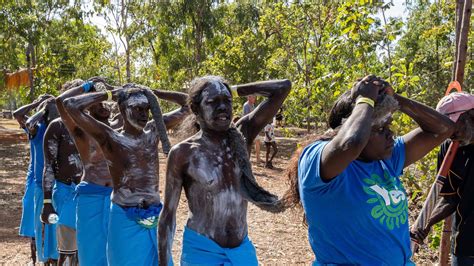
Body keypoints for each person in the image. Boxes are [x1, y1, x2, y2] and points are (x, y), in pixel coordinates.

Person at [282, 75, 454, 265]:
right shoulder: (317, 159)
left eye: (388, 126)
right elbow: (351, 143)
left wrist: (394, 99)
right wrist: (365, 100)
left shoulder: (386, 159)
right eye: (380, 129)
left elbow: (443, 129)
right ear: (351, 128)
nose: (390, 134)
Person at [159, 76, 291, 265]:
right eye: (212, 102)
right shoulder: (183, 154)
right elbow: (168, 216)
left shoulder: (242, 134)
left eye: (227, 102)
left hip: (241, 251)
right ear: (196, 110)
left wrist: (230, 90)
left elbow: (282, 88)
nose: (222, 107)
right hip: (201, 252)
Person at [63, 82, 189, 265]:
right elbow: (70, 105)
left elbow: (188, 104)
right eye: (137, 108)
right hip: (124, 219)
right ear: (122, 109)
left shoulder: (153, 131)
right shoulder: (110, 138)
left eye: (146, 109)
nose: (143, 114)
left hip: (156, 218)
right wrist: (111, 94)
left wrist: (152, 93)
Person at [410, 92, 474, 266]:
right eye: (444, 127)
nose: (449, 133)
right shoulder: (450, 149)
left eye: (453, 125)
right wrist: (426, 223)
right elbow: (450, 197)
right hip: (466, 245)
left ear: (471, 115)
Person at [40, 81, 86, 265]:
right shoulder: (56, 127)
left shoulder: (94, 125)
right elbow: (49, 167)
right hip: (66, 193)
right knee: (67, 254)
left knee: (89, 252)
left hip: (90, 196)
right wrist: (47, 202)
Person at [13, 94, 52, 264]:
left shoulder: (58, 127)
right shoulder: (36, 128)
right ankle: (36, 259)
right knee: (36, 228)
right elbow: (18, 114)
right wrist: (41, 104)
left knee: (51, 227)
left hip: (55, 185)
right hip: (37, 183)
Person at [26, 97, 61, 264]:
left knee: (58, 227)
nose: (56, 113)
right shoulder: (38, 130)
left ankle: (56, 257)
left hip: (60, 186)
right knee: (43, 226)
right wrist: (43, 109)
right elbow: (28, 123)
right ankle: (45, 259)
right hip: (41, 186)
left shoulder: (62, 128)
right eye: (52, 111)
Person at [243, 95, 261, 163]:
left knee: (257, 141)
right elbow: (246, 117)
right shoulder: (246, 105)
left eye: (255, 97)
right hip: (249, 127)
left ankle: (258, 158)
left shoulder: (252, 105)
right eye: (253, 97)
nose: (255, 98)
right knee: (249, 143)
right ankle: (248, 159)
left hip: (254, 127)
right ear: (249, 97)